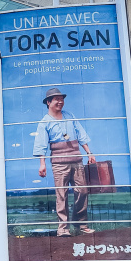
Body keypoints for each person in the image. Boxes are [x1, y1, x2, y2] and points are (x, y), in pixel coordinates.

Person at [33, 87, 96, 237]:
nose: (60, 102)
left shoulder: (70, 116)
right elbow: (41, 144)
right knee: (61, 194)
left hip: (76, 159)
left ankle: (81, 224)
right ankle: (63, 228)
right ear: (48, 102)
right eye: (56, 99)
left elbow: (81, 135)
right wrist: (42, 164)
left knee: (82, 191)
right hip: (59, 163)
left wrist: (89, 153)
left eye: (62, 99)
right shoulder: (44, 123)